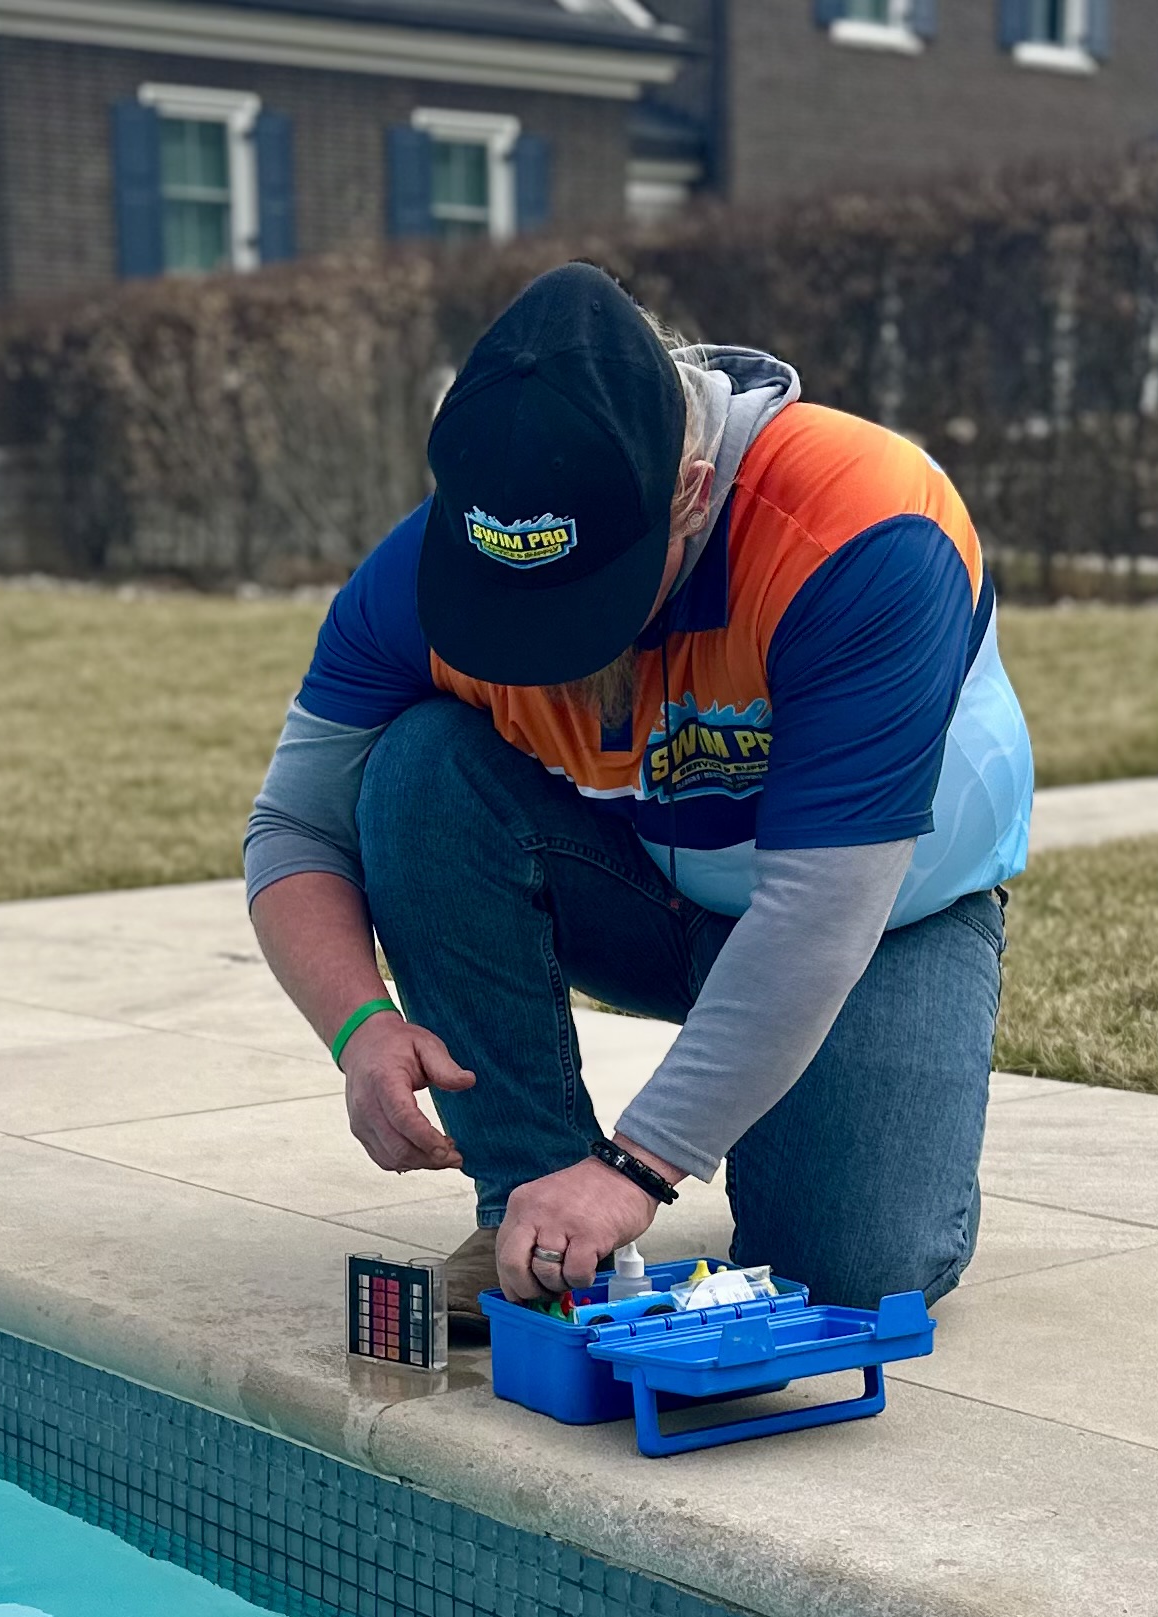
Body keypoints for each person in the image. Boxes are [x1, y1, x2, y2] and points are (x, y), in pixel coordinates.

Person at [243, 262, 1032, 1328]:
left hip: (881, 918)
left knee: (847, 1277)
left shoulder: (862, 527)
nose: (546, 651)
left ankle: (838, 1117)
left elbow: (817, 911)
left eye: (587, 603)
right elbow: (293, 824)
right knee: (420, 765)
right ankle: (526, 1194)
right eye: (511, 607)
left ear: (692, 493)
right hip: (639, 877)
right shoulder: (416, 575)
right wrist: (359, 1025)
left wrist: (639, 1163)